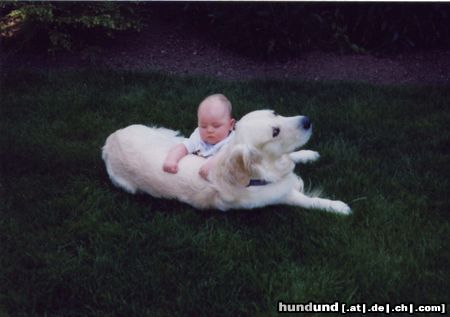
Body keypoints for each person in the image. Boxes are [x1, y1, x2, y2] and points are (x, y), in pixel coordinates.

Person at [163, 94, 235, 180]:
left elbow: (226, 155)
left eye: (216, 126)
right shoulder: (198, 136)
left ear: (231, 125)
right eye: (203, 126)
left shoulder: (232, 141)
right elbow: (183, 147)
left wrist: (212, 164)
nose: (209, 130)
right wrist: (171, 160)